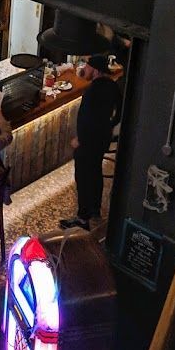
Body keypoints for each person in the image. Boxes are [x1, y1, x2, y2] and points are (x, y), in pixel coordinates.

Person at [60, 54, 122, 230]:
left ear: (95, 70)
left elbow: (87, 120)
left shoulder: (93, 91)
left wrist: (80, 139)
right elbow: (119, 112)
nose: (84, 69)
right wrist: (109, 126)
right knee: (95, 172)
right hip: (103, 138)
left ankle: (82, 218)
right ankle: (95, 209)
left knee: (84, 178)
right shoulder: (113, 86)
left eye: (87, 66)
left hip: (88, 142)